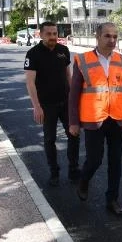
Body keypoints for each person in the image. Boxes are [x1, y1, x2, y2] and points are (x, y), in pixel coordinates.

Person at [69, 23, 122, 216]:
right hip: (94, 119)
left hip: (118, 119)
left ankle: (112, 200)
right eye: (107, 36)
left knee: (116, 161)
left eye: (115, 36)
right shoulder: (83, 60)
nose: (112, 40)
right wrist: (73, 121)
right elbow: (74, 94)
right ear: (97, 36)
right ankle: (84, 181)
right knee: (95, 159)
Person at [24, 21, 80, 186]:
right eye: (48, 34)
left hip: (66, 102)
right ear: (40, 35)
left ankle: (73, 169)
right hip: (47, 105)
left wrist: (73, 99)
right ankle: (54, 172)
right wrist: (36, 106)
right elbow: (30, 83)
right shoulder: (33, 54)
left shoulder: (63, 50)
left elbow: (68, 76)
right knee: (50, 139)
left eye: (55, 33)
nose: (52, 37)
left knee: (74, 135)